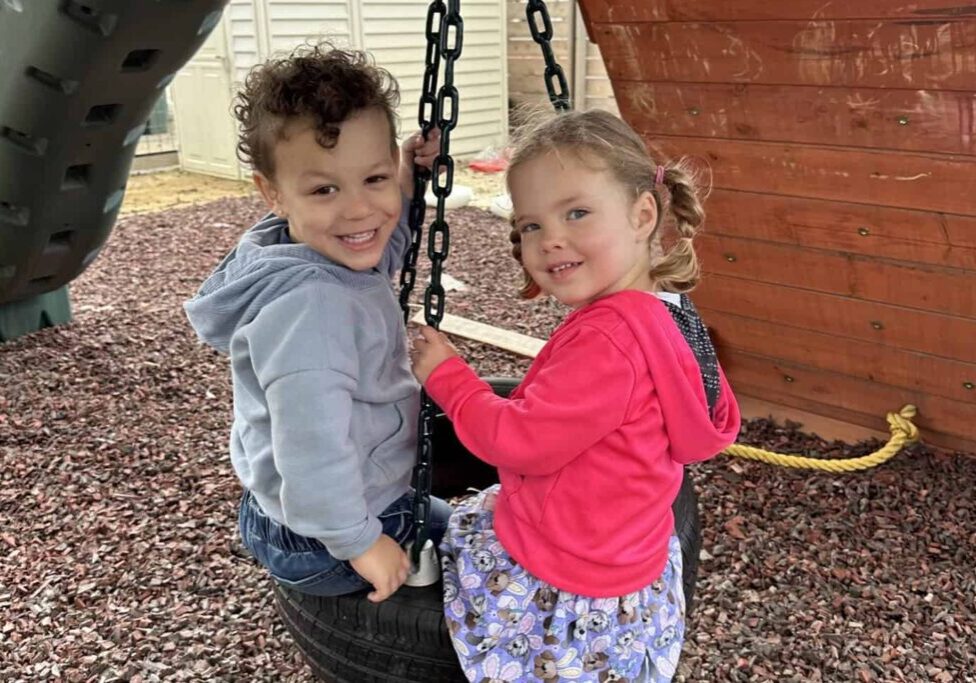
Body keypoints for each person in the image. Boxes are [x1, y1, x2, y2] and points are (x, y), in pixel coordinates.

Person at [410, 109, 741, 681]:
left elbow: (516, 442)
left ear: (643, 214)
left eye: (577, 213)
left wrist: (447, 375)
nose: (550, 240)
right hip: (630, 552)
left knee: (451, 537)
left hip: (567, 574)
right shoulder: (669, 314)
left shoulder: (608, 342)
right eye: (531, 224)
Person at [184, 42, 452, 604]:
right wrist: (359, 542)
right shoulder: (310, 314)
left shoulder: (303, 247)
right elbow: (311, 453)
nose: (359, 210)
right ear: (272, 193)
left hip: (292, 511)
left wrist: (404, 179)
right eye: (325, 189)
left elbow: (380, 242)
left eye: (373, 178)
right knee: (472, 536)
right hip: (322, 537)